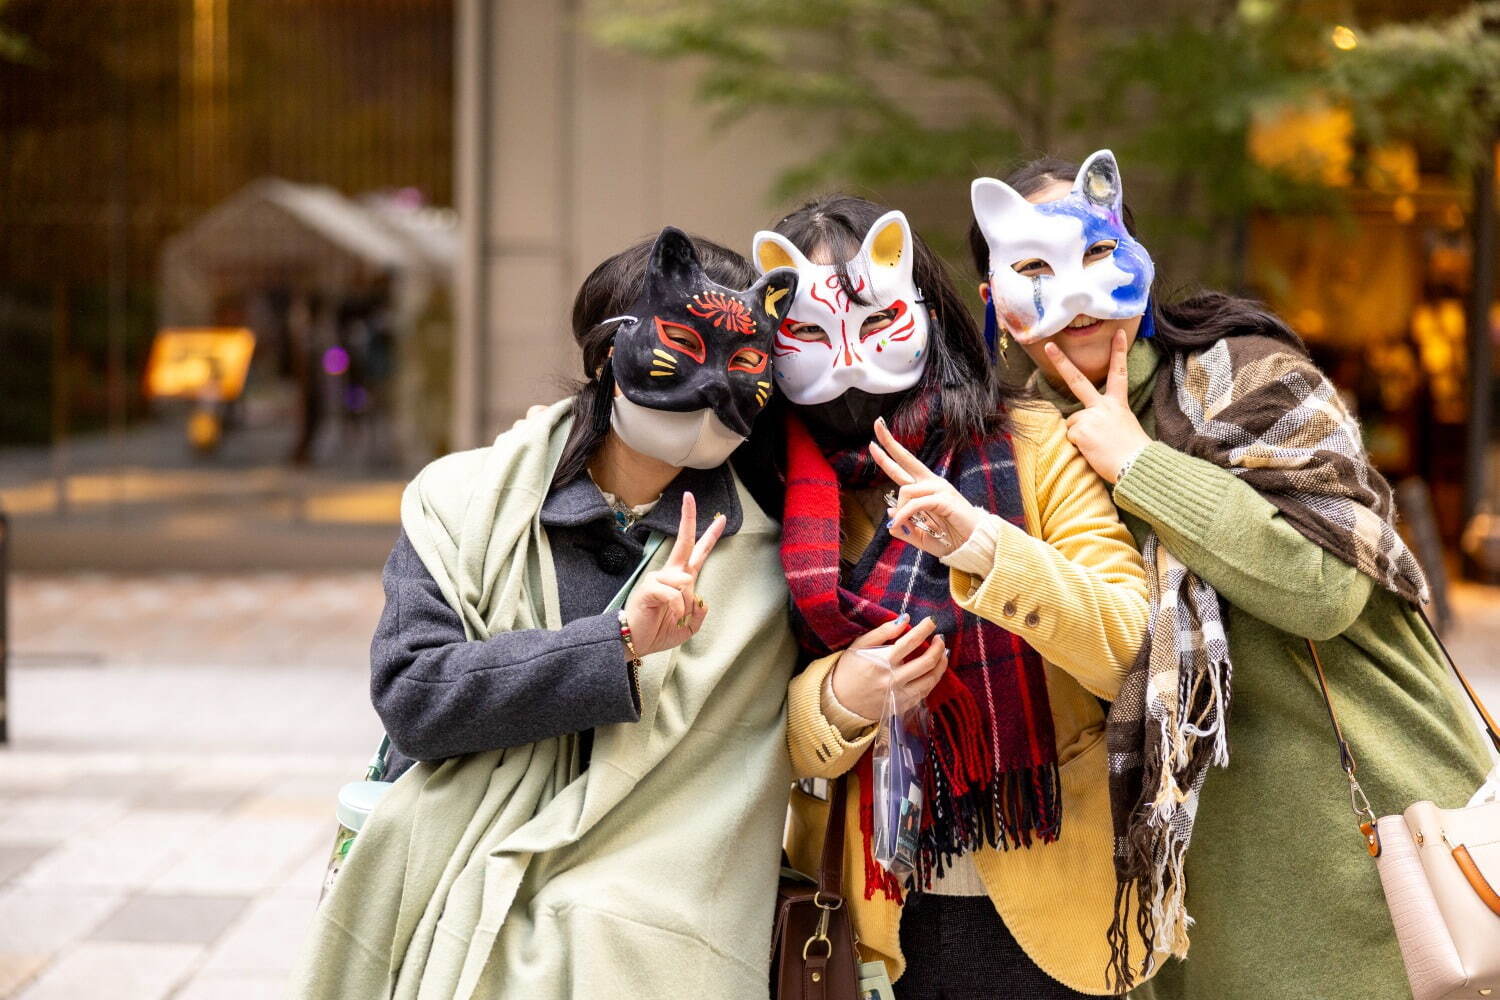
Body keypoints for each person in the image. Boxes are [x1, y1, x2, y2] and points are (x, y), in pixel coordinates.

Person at [968, 150, 1494, 998]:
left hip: (1377, 848)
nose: (1071, 293)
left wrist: (1140, 464)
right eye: (1032, 267)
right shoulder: (1009, 457)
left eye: (1096, 252)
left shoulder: (1242, 374)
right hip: (1192, 888)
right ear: (996, 302)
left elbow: (1325, 589)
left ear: (1133, 255)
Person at [293, 228, 803, 1000]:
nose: (710, 386)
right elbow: (415, 697)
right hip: (449, 865)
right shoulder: (463, 503)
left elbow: (738, 781)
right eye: (679, 344)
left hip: (647, 921)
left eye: (742, 362)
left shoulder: (769, 558)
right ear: (607, 355)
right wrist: (619, 644)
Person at [753, 197, 1158, 998]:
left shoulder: (1036, 444)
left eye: (876, 318)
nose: (847, 358)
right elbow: (738, 723)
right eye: (807, 332)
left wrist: (985, 548)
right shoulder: (771, 493)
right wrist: (838, 698)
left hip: (1060, 901)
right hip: (872, 918)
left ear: (928, 311)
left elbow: (1135, 650)